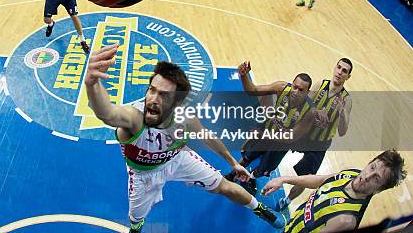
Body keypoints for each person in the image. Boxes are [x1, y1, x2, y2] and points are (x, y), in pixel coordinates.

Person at [84, 44, 286, 233]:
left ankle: (259, 208)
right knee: (135, 218)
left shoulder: (185, 119)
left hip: (177, 160)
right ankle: (137, 228)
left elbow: (208, 137)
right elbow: (107, 113)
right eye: (152, 90)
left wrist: (233, 163)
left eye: (163, 95)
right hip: (143, 175)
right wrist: (92, 83)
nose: (153, 99)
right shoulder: (135, 120)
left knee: (224, 187)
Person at [224, 61, 315, 195]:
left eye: (301, 90)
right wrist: (244, 75)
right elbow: (253, 91)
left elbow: (290, 138)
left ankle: (251, 178)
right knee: (247, 157)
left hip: (280, 145)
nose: (296, 92)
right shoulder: (282, 88)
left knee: (263, 169)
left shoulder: (309, 111)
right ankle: (233, 174)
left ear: (308, 92)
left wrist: (263, 135)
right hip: (267, 131)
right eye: (295, 87)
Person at [275, 58, 354, 211]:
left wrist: (342, 113)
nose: (339, 72)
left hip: (320, 144)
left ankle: (287, 199)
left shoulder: (347, 100)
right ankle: (261, 169)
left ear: (348, 76)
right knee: (275, 147)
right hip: (303, 134)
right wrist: (315, 113)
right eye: (338, 67)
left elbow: (342, 132)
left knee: (306, 177)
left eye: (344, 70)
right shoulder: (320, 85)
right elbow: (301, 105)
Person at [263, 149, 406, 233]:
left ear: (379, 190)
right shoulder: (351, 174)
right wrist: (284, 179)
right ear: (369, 163)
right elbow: (321, 180)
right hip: (291, 225)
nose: (367, 176)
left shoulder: (346, 220)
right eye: (372, 167)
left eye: (376, 179)